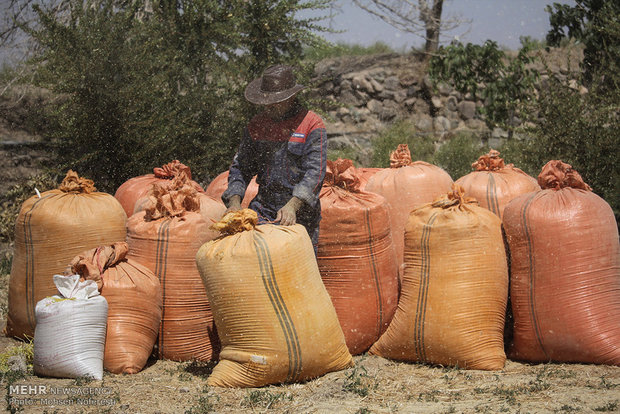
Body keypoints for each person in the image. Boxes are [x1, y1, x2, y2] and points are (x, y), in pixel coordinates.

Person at [222, 64, 327, 253]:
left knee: (296, 272)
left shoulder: (312, 124)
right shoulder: (256, 125)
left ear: (291, 97)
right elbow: (241, 167)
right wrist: (234, 202)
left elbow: (315, 173)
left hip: (300, 213)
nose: (270, 105)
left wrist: (293, 206)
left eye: (277, 101)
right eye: (267, 100)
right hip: (263, 208)